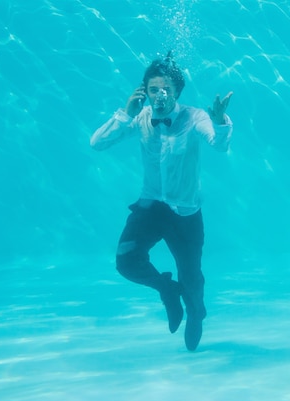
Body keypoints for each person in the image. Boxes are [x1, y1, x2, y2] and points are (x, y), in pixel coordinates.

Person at [90, 52, 233, 351]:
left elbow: (218, 145)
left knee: (192, 279)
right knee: (126, 262)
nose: (160, 95)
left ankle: (196, 313)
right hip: (151, 208)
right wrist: (126, 113)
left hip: (186, 213)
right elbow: (97, 143)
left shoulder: (194, 117)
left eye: (166, 89)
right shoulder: (140, 118)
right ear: (145, 91)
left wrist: (219, 121)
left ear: (178, 91)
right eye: (153, 89)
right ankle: (167, 290)